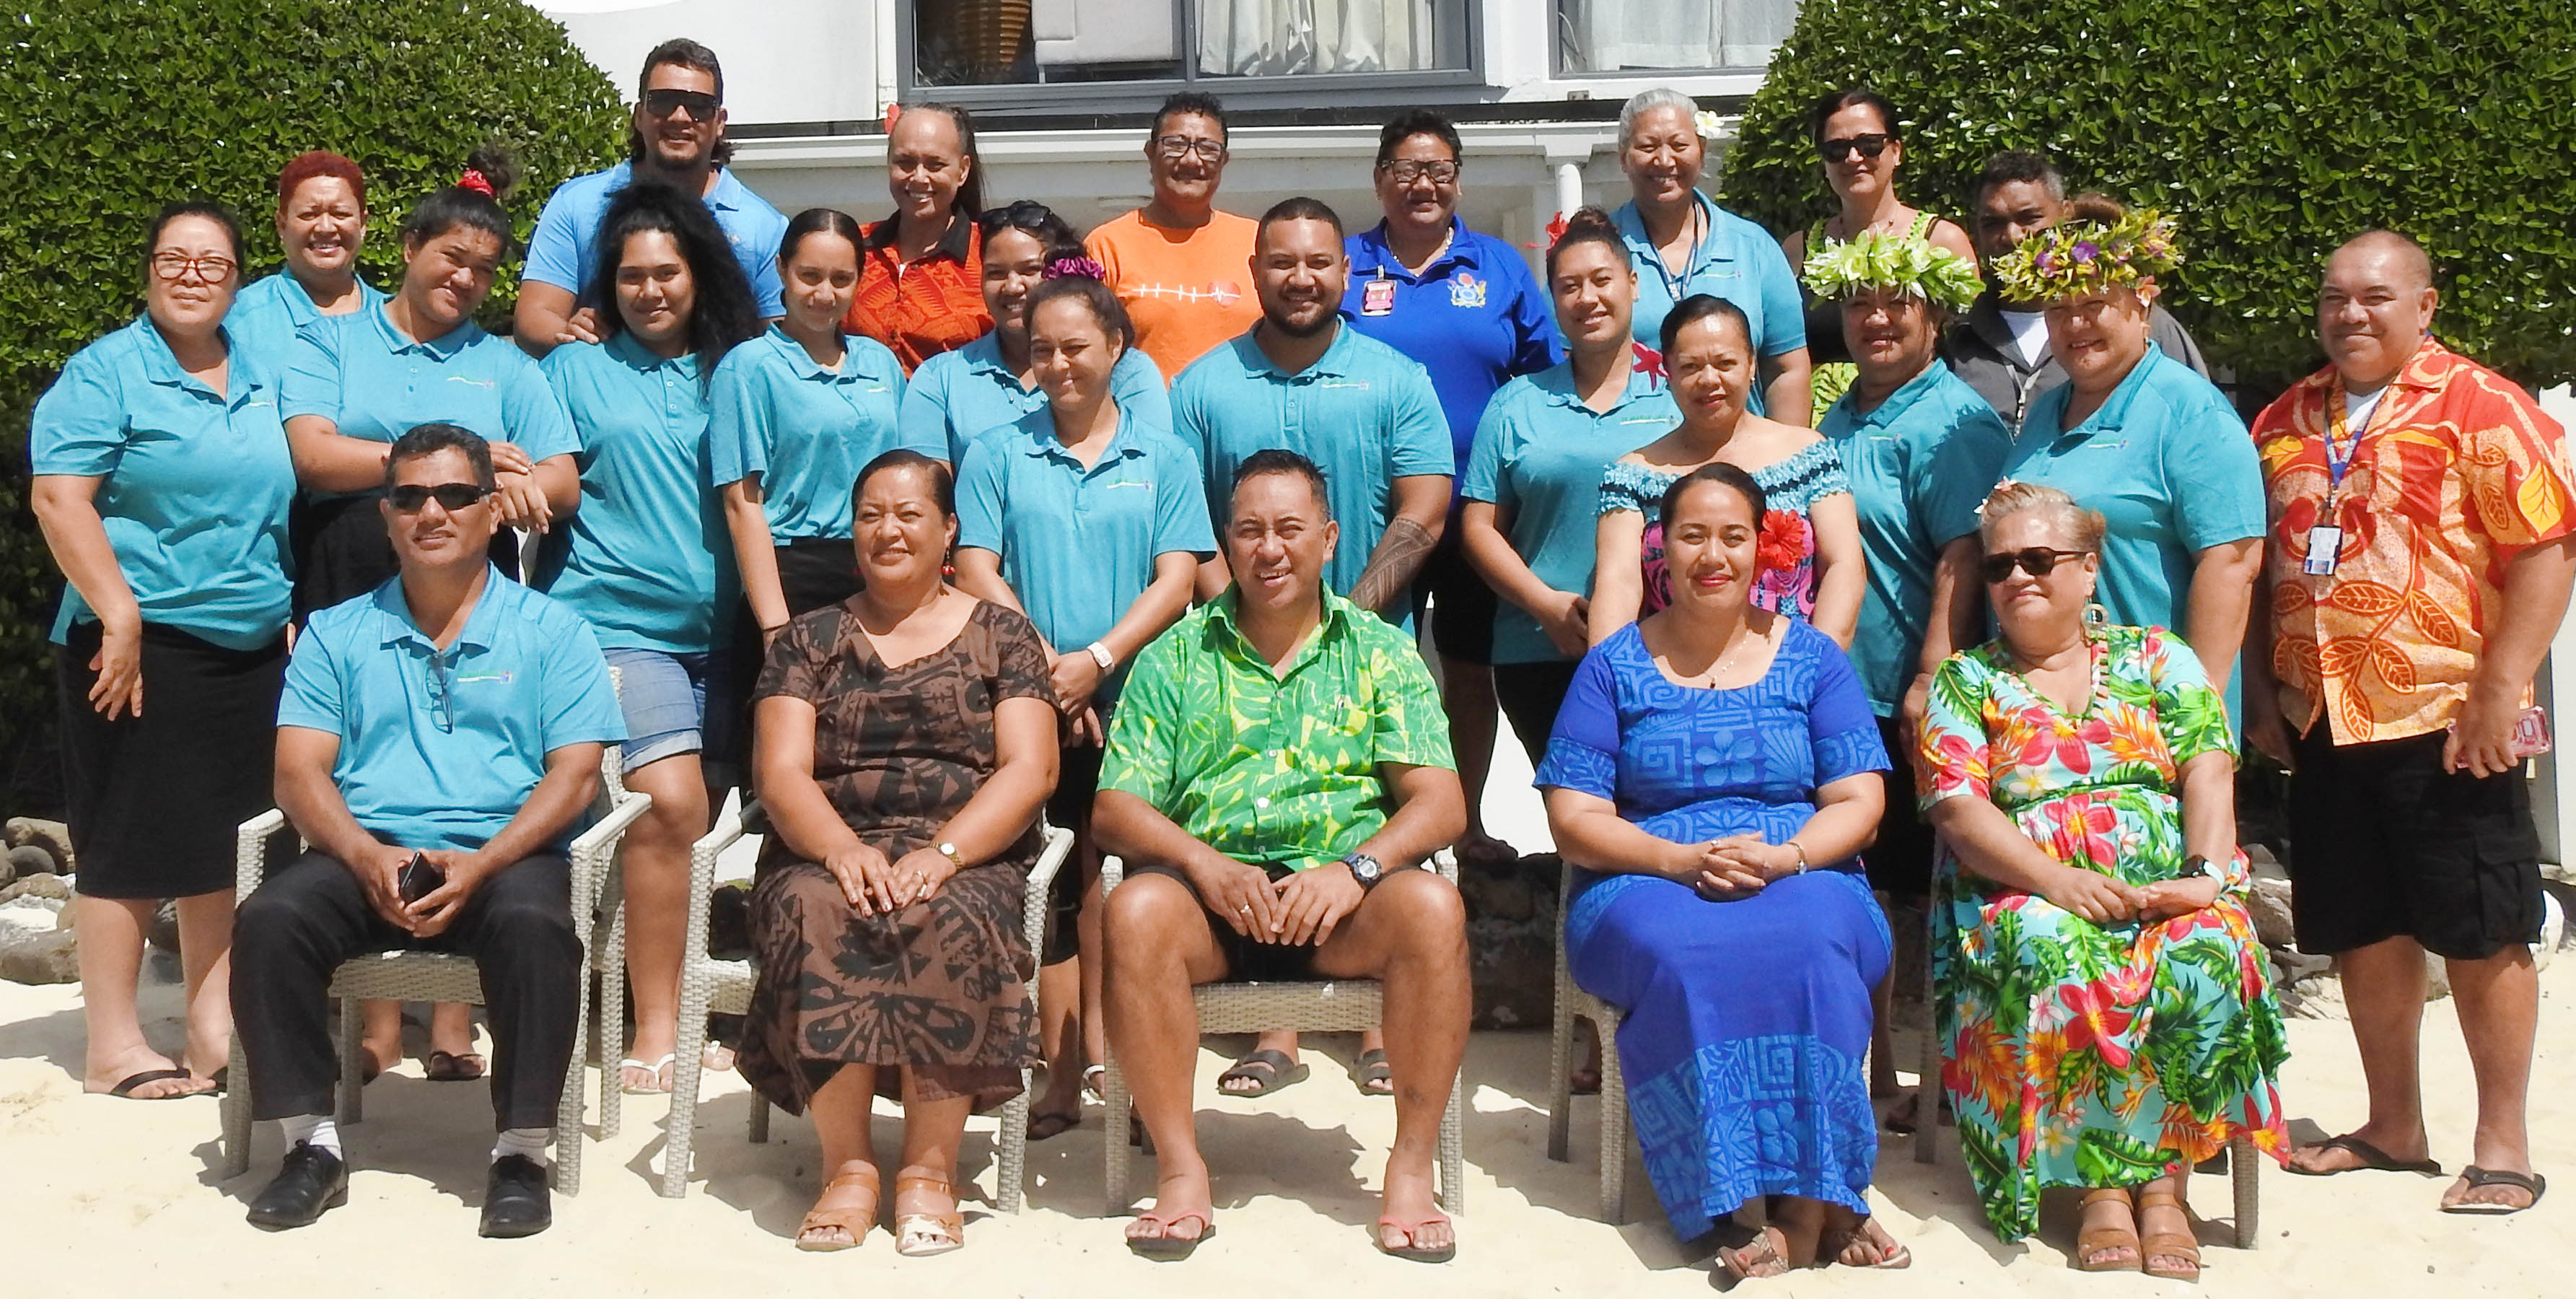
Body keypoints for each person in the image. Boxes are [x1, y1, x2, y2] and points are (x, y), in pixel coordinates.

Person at [232, 424, 626, 1236]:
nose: (431, 513)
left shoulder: (555, 631)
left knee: (536, 927)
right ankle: (310, 1147)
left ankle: (520, 1155)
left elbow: (576, 777)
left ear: (492, 509)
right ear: (386, 515)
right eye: (410, 497)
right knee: (269, 919)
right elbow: (297, 774)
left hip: (504, 853)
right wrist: (364, 854)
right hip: (367, 850)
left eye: (454, 494)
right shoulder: (335, 633)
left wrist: (484, 862)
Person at [2248, 232, 2570, 1215]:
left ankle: (2503, 1147)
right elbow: (2258, 564)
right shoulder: (2283, 419)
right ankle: (2393, 1127)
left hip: (2448, 718)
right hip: (2325, 718)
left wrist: (2499, 688)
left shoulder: (2482, 407)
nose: (2350, 314)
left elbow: (2547, 548)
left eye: (2374, 297)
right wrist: (2259, 690)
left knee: (2481, 928)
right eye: (2333, 297)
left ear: (2423, 307)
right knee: (2363, 926)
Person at [1097, 450, 1471, 1263]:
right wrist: (1202, 864)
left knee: (1434, 906)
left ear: (1328, 540)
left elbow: (1441, 803)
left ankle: (1410, 1172)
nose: (1270, 549)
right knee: (1136, 907)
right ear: (1226, 544)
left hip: (1343, 908)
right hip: (1213, 906)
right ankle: (1181, 1172)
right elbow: (1115, 807)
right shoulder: (1175, 655)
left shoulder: (1378, 652)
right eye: (1250, 531)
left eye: (1290, 529)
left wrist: (1354, 871)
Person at [1538, 463, 1903, 1281]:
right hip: (1646, 874)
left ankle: (1802, 1209)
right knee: (1688, 954)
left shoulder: (1812, 658)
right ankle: (1778, 1199)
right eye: (1693, 536)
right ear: (1662, 548)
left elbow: (1860, 801)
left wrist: (1785, 856)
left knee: (1813, 945)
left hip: (1800, 867)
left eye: (1733, 536)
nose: (1713, 556)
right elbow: (1575, 818)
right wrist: (1678, 860)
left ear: (1762, 547)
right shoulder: (1613, 665)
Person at [1916, 481, 2290, 1276]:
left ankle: (2165, 1187)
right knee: (2057, 949)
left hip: (2167, 883)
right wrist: (2055, 880)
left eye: (2038, 559)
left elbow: (2208, 769)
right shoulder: (1967, 680)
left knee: (2208, 947)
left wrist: (2202, 877)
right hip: (2021, 889)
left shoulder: (2156, 655)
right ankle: (2103, 1192)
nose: (2018, 577)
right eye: (2000, 566)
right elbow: (1957, 809)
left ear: (2089, 569)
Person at [280, 152, 581, 1080]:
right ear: (409, 248)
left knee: (459, 758)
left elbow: (562, 474)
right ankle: (375, 1027)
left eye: (485, 271)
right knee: (369, 768)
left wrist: (518, 486)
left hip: (468, 584)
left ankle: (453, 1024)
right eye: (452, 258)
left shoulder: (504, 364)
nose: (465, 280)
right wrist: (445, 472)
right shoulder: (337, 339)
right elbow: (312, 455)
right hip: (350, 575)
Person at [740, 450, 1059, 1256]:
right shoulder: (807, 639)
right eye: (871, 515)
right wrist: (842, 850)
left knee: (945, 914)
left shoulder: (1005, 636)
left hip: (967, 851)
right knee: (817, 908)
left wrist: (945, 853)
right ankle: (848, 1169)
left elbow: (1031, 770)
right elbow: (781, 774)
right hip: (825, 846)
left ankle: (928, 1172)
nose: (888, 530)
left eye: (909, 514)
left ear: (948, 529)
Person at [1168, 197, 1452, 1095]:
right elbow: (1186, 521)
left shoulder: (1395, 379)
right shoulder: (1203, 387)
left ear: (1347, 272)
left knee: (1362, 819)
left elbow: (1424, 508)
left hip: (1368, 652)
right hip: (1233, 657)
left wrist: (1344, 622)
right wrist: (1247, 619)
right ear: (1254, 272)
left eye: (1319, 262)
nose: (1301, 278)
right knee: (1259, 818)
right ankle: (1275, 1032)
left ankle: (1376, 1031)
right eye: (1282, 262)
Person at [29, 203, 293, 1101]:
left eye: (212, 263)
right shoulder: (106, 371)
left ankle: (212, 1029)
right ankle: (112, 1044)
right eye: (173, 259)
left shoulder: (259, 372)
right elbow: (60, 499)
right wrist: (120, 615)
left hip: (248, 646)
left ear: (237, 281)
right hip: (137, 643)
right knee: (128, 836)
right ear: (147, 269)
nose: (191, 275)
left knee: (226, 843)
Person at [952, 273, 1216, 1141]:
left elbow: (1177, 578)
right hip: (1032, 704)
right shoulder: (996, 453)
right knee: (1058, 887)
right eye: (1042, 350)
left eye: (1076, 347)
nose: (1059, 364)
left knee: (1134, 886)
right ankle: (1063, 1077)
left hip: (1144, 703)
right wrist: (1048, 672)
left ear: (1116, 349)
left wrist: (1098, 662)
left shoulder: (1165, 458)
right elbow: (978, 568)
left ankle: (1132, 1076)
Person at [533, 182, 762, 1095]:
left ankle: (727, 1006)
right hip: (617, 624)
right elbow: (542, 474)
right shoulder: (572, 369)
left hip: (735, 637)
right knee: (669, 806)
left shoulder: (741, 368)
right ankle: (658, 1024)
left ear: (699, 275)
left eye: (667, 272)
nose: (650, 290)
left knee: (722, 822)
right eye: (631, 276)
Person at [1803, 230, 2009, 1107]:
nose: (1877, 321)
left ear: (1936, 318)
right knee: (1862, 882)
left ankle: (1951, 1075)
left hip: (1907, 690)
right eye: (1860, 304)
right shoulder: (1839, 413)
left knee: (1921, 884)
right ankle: (1875, 1063)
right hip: (1840, 684)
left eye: (1898, 305)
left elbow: (1964, 551)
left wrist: (1932, 672)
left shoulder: (1952, 419)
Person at [1342, 108, 1561, 869]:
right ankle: (1379, 830)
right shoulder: (1345, 265)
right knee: (1371, 667)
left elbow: (1544, 378)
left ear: (1459, 181)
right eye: (1407, 169)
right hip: (1380, 513)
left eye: (1439, 170)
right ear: (1380, 179)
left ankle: (1464, 827)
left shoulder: (1498, 267)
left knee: (1470, 670)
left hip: (1479, 512)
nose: (1423, 184)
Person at [1981, 204, 2265, 713]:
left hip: (2150, 711)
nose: (2075, 324)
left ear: (2142, 302)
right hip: (2045, 715)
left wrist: (2195, 710)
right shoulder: (2045, 412)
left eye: (2094, 303)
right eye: (2058, 309)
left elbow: (2232, 563)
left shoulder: (2190, 411)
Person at [1460, 206, 1678, 764]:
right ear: (1553, 300)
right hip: (1538, 650)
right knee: (1572, 804)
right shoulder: (1517, 403)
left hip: (1666, 647)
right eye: (1569, 286)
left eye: (1602, 280)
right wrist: (1546, 606)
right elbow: (1479, 527)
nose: (1588, 298)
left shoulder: (1678, 398)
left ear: (1633, 284)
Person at [711, 209, 935, 657]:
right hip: (794, 577)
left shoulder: (879, 363)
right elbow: (742, 504)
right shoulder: (749, 368)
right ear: (782, 270)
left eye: (841, 279)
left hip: (880, 573)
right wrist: (775, 625)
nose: (824, 294)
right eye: (810, 276)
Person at [1590, 295, 1860, 644]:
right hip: (1672, 670)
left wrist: (1816, 664)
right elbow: (1618, 584)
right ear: (1667, 372)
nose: (1709, 379)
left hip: (1794, 663)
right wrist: (1609, 669)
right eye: (1690, 367)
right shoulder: (1632, 476)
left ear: (1751, 364)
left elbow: (1844, 566)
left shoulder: (1809, 455)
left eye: (1725, 363)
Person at [515, 38, 787, 354]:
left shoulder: (764, 227)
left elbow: (777, 345)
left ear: (720, 122)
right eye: (663, 101)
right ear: (638, 115)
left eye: (699, 105)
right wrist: (573, 336)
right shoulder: (576, 204)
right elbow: (534, 318)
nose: (680, 117)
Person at [1948, 152, 2209, 432]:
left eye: (2029, 218)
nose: (2012, 236)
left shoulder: (2139, 323)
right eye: (1992, 223)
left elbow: (2199, 422)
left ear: (2065, 215)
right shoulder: (1956, 335)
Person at [899, 200, 1172, 463]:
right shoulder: (941, 379)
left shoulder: (1127, 370)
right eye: (996, 273)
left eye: (1030, 270)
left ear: (1061, 274)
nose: (1012, 286)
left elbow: (1156, 467)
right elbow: (927, 487)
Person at [1775, 89, 1978, 421]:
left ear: (1896, 151)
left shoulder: (1942, 240)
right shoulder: (1798, 249)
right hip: (1815, 426)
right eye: (1837, 149)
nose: (1854, 157)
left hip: (1916, 420)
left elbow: (1971, 352)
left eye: (1869, 144)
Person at [1608, 87, 1810, 422]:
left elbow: (1787, 368)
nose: (1665, 160)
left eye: (1679, 145)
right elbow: (1565, 358)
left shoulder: (1752, 247)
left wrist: (1786, 448)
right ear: (1623, 158)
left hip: (1739, 450)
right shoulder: (1600, 250)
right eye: (1647, 146)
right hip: (1633, 445)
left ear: (1702, 153)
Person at [1085, 92, 1262, 379]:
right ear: (1150, 152)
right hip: (1142, 407)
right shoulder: (1106, 247)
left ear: (1224, 160)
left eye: (1207, 148)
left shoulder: (1258, 242)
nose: (1191, 160)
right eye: (1176, 145)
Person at [845, 102, 989, 372]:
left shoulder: (991, 255)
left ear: (962, 171)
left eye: (935, 165)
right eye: (905, 163)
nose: (919, 177)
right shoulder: (853, 247)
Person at [228, 152, 385, 377]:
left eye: (340, 214)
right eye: (309, 215)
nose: (325, 228)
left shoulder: (392, 320)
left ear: (363, 224)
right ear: (282, 225)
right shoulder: (241, 318)